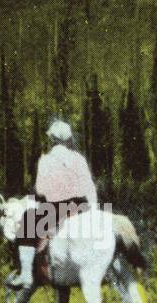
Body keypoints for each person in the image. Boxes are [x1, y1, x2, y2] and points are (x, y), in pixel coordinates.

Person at [8, 120, 97, 290]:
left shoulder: (46, 160)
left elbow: (41, 189)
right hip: (81, 207)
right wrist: (93, 211)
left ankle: (26, 274)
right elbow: (89, 186)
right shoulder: (78, 158)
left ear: (52, 140)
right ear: (69, 140)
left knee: (28, 219)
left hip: (57, 209)